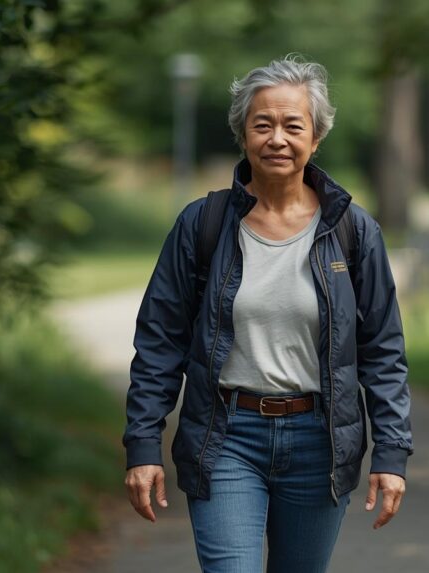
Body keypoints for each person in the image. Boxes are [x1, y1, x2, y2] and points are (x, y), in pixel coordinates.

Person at [122, 55, 413, 573]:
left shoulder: (353, 231)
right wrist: (144, 444)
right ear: (243, 135)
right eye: (263, 125)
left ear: (316, 138)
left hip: (320, 442)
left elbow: (382, 351)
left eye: (293, 126)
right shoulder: (203, 224)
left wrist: (391, 453)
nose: (277, 138)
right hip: (225, 437)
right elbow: (160, 341)